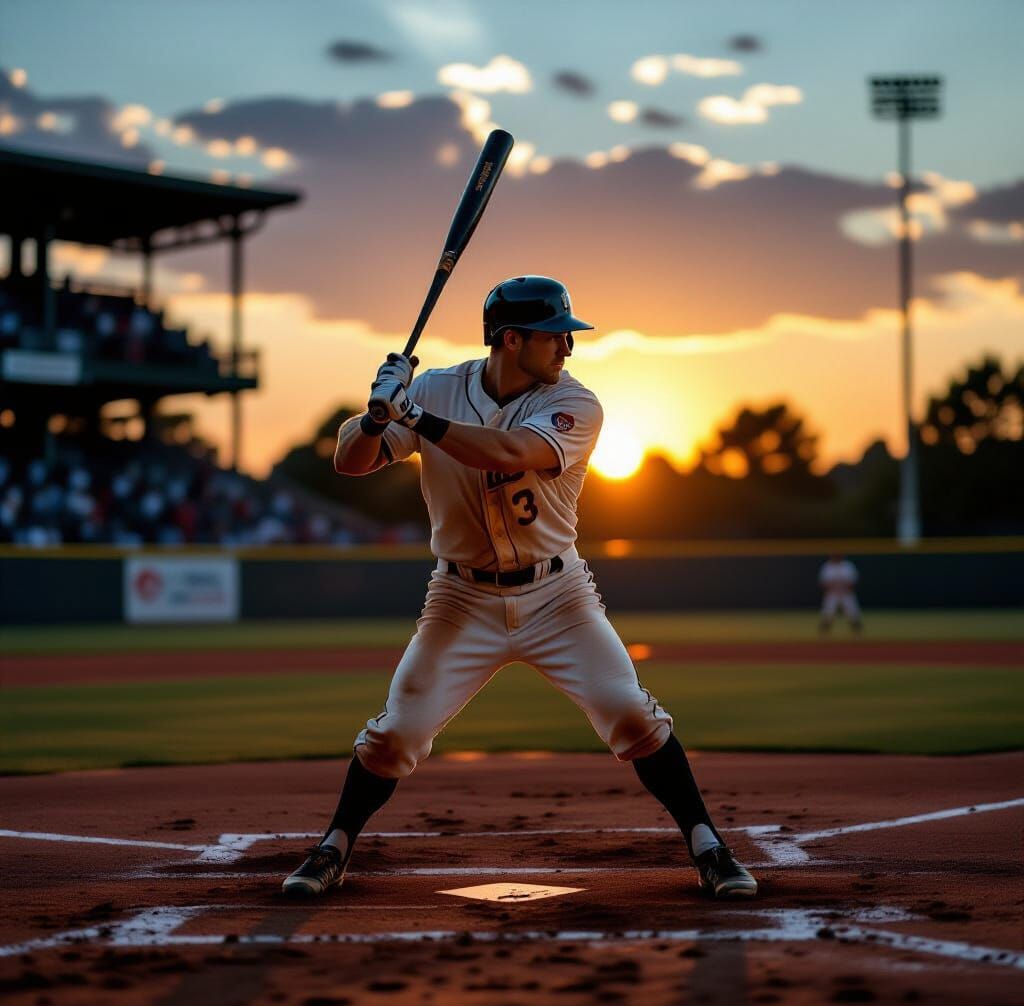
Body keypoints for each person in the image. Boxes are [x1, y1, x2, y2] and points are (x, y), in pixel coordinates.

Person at [283, 276, 757, 899]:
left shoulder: (576, 403)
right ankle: (333, 848)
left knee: (632, 715)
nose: (568, 347)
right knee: (397, 732)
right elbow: (351, 460)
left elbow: (507, 451)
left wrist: (414, 416)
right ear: (512, 340)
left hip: (558, 597)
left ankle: (708, 846)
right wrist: (374, 413)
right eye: (556, 335)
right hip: (460, 599)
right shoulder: (435, 388)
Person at [818, 553, 863, 634]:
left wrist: (844, 587)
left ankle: (857, 632)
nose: (836, 556)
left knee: (853, 612)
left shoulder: (848, 566)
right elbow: (823, 582)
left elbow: (853, 581)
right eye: (835, 555)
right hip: (832, 593)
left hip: (846, 593)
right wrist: (834, 587)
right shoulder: (827, 566)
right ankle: (824, 633)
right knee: (828, 613)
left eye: (838, 555)